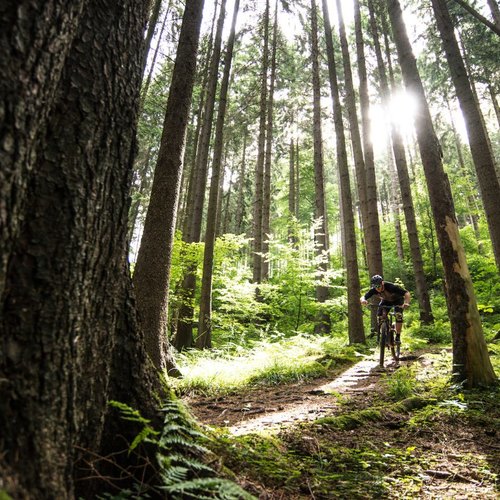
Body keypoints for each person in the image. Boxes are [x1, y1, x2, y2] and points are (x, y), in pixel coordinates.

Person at [360, 275, 410, 342]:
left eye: (378, 286)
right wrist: (363, 300)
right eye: (375, 287)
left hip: (397, 300)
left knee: (398, 315)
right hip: (386, 301)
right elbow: (363, 297)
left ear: (382, 283)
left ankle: (398, 336)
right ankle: (385, 333)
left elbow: (406, 293)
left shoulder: (391, 287)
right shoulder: (374, 290)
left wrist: (406, 303)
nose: (377, 288)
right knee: (380, 316)